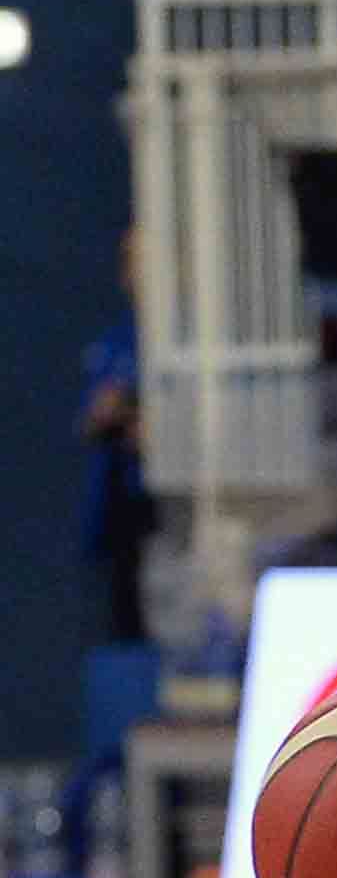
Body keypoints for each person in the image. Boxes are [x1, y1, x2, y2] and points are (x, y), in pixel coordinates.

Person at [79, 232, 154, 647]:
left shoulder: (190, 341)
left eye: (142, 259)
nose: (133, 272)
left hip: (169, 511)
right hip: (121, 513)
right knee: (124, 630)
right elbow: (91, 420)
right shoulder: (115, 342)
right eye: (128, 260)